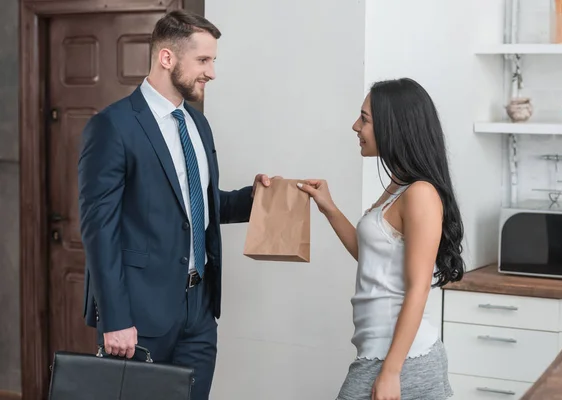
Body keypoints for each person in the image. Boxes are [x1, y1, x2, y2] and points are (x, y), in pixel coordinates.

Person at [78, 10, 273, 400]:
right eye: (203, 60)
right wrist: (115, 318)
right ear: (166, 57)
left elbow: (196, 204)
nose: (212, 73)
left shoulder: (198, 125)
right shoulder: (113, 126)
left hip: (198, 312)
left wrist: (255, 199)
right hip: (138, 316)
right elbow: (100, 231)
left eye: (213, 61)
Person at [298, 78, 464, 400]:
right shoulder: (400, 185)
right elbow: (371, 257)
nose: (355, 126)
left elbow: (418, 288)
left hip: (402, 360)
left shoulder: (421, 194)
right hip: (380, 354)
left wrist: (391, 371)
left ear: (393, 126)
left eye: (365, 119)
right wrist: (329, 208)